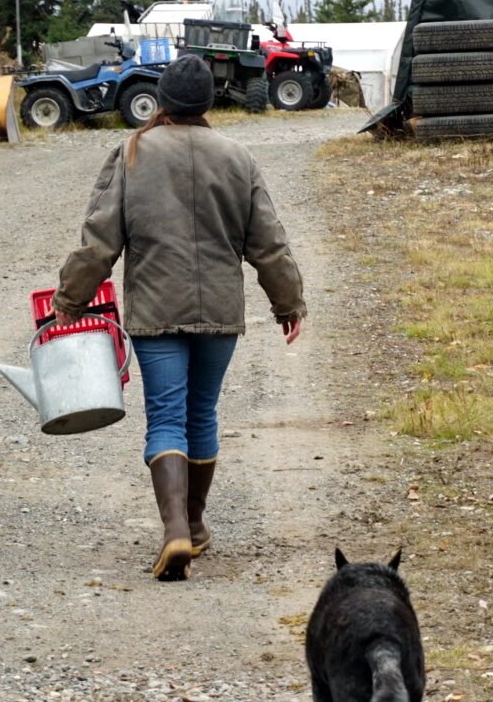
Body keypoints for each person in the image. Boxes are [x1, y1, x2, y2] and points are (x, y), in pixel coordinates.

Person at [52, 54, 305, 581]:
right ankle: (195, 522)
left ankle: (175, 534)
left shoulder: (134, 152)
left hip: (156, 310)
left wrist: (69, 300)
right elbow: (269, 242)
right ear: (208, 102)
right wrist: (288, 303)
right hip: (218, 310)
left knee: (166, 416)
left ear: (162, 100)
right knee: (202, 415)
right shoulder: (238, 156)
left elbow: (99, 241)